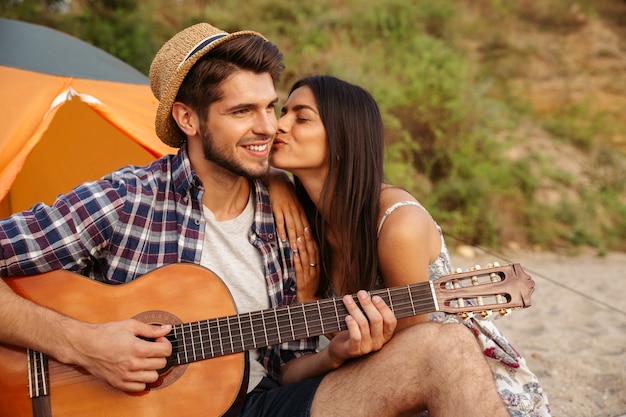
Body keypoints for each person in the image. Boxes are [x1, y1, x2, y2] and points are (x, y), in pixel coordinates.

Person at [0, 22, 529, 417]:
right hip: (130, 407)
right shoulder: (125, 200)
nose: (266, 128)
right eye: (241, 112)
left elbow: (285, 367)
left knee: (445, 347)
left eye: (271, 107)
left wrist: (336, 354)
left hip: (261, 407)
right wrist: (82, 345)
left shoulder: (289, 221)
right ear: (189, 119)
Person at [268, 74, 552, 416]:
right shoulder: (305, 220)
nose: (277, 124)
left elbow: (406, 351)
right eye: (283, 112)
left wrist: (311, 304)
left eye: (300, 117)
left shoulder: (398, 223)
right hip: (379, 383)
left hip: (454, 385)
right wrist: (271, 178)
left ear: (343, 138)